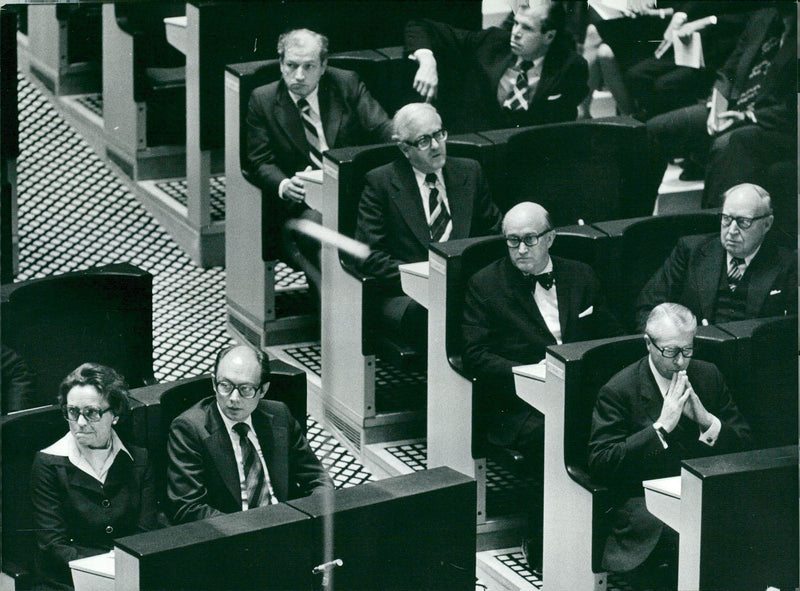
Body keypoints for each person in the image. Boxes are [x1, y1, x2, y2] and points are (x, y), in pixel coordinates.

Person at [461, 201, 622, 573]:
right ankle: (542, 537)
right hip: (519, 405)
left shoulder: (581, 274)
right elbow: (476, 356)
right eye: (512, 240)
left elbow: (612, 336)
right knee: (552, 437)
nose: (520, 249)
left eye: (530, 239)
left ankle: (607, 535)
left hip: (583, 395)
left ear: (550, 238)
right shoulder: (485, 284)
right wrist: (532, 375)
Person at [588, 303, 751, 590]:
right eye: (671, 351)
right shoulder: (618, 390)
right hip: (644, 504)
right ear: (648, 344)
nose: (680, 361)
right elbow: (602, 462)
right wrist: (660, 428)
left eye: (688, 350)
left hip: (701, 494)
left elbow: (745, 444)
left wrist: (707, 421)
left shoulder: (708, 375)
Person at [245, 28, 393, 300]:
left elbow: (383, 128)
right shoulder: (262, 100)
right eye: (291, 65)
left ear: (324, 66)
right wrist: (283, 184)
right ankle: (332, 315)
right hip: (304, 203)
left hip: (354, 191)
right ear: (281, 64)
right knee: (322, 231)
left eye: (308, 66)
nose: (299, 75)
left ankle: (373, 305)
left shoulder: (346, 83)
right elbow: (259, 160)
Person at [354, 103, 502, 351]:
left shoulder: (470, 171)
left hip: (467, 286)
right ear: (404, 147)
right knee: (439, 312)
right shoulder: (380, 183)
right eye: (423, 140)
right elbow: (371, 257)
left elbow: (494, 232)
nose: (435, 145)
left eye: (438, 134)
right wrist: (425, 278)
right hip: (407, 295)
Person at [644, 4, 796, 207]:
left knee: (727, 144)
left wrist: (746, 117)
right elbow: (728, 70)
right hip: (734, 107)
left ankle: (709, 232)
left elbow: (792, 108)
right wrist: (717, 105)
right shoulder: (765, 16)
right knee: (654, 129)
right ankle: (631, 226)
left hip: (773, 122)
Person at [166, 344, 333, 524]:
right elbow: (188, 507)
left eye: (246, 389)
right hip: (231, 535)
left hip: (286, 524)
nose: (233, 399)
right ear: (213, 383)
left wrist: (308, 520)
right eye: (225, 385)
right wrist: (251, 530)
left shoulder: (279, 415)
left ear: (263, 390)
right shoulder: (189, 428)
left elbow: (318, 479)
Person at [30, 363, 158, 590]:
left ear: (115, 414)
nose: (79, 423)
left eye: (91, 412)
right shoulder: (47, 463)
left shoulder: (139, 459)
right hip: (67, 582)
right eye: (72, 412)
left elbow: (145, 532)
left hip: (129, 578)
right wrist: (105, 573)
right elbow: (53, 545)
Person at [404, 0, 588, 133]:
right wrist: (427, 60)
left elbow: (560, 125)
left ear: (549, 36)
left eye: (527, 28)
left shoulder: (570, 67)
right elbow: (419, 26)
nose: (515, 33)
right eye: (516, 23)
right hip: (475, 147)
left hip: (529, 156)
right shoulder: (492, 42)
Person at [635, 183, 797, 331]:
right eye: (726, 219)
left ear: (767, 224)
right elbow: (648, 307)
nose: (732, 230)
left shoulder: (789, 264)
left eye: (743, 222)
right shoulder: (690, 251)